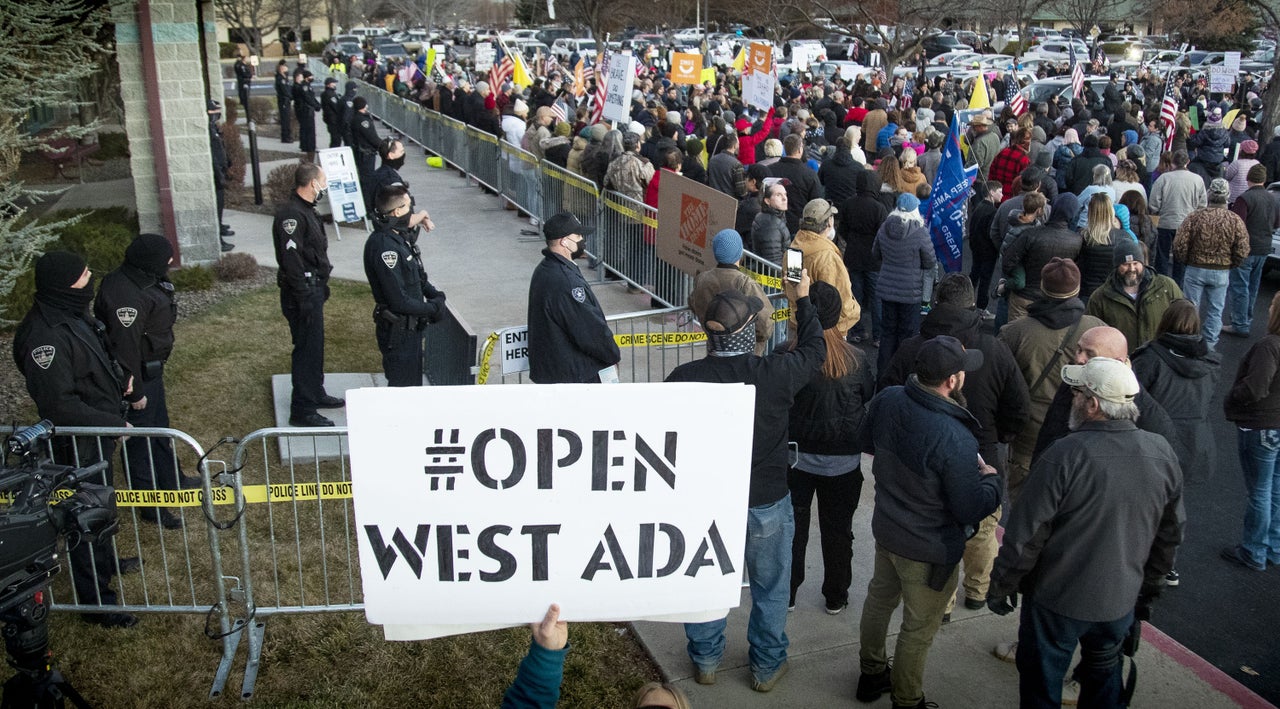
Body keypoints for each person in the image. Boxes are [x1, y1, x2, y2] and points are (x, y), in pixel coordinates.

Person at [987, 356, 1183, 709]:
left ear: (1092, 405)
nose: (1072, 399)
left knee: (1041, 686)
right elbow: (1169, 535)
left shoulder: (1063, 454)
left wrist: (1003, 584)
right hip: (1119, 602)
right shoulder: (1162, 453)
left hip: (1056, 601)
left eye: (1077, 393)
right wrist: (1146, 591)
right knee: (1105, 682)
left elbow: (1025, 534)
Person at [665, 274, 825, 694]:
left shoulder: (683, 379)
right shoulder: (775, 374)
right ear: (749, 331)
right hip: (766, 502)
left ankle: (705, 659)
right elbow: (814, 350)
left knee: (704, 581)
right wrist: (801, 300)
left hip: (706, 504)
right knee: (771, 587)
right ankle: (767, 666)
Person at [855, 335, 1002, 709]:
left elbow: (867, 440)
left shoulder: (888, 400)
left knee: (878, 601)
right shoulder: (956, 436)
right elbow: (969, 508)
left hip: (888, 530)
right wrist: (991, 482)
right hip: (928, 548)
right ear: (952, 381)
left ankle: (871, 674)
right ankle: (907, 699)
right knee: (918, 629)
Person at [880, 274, 1030, 618]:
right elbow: (1019, 406)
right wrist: (996, 437)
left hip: (923, 463)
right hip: (983, 457)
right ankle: (977, 592)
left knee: (943, 535)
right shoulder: (994, 348)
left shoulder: (911, 348)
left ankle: (943, 604)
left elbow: (885, 394)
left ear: (935, 303)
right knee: (983, 531)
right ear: (972, 305)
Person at [12, 251, 139, 628]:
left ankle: (107, 563)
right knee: (85, 516)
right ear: (65, 284)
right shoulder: (44, 336)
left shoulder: (70, 313)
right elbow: (60, 405)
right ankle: (98, 604)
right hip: (78, 440)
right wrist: (113, 424)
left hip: (97, 432)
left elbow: (94, 359)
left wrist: (121, 380)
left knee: (102, 505)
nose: (91, 279)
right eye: (85, 276)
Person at [94, 233, 196, 530]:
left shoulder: (142, 278)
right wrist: (134, 391)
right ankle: (151, 504)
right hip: (136, 379)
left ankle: (171, 479)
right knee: (139, 443)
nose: (170, 262)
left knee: (160, 429)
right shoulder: (126, 295)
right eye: (166, 258)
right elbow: (124, 349)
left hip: (150, 371)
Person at [785, 280, 874, 615]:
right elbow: (867, 395)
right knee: (839, 534)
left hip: (796, 462)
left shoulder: (788, 354)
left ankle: (789, 593)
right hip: (843, 464)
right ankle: (835, 595)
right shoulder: (857, 360)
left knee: (794, 532)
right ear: (839, 317)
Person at [999, 259, 1106, 502]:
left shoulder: (1014, 332)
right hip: (1079, 433)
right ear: (1077, 289)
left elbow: (1001, 385)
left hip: (1029, 434)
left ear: (1042, 288)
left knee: (1025, 507)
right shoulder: (1097, 330)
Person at [273, 163, 344, 427]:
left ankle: (315, 392)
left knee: (315, 348)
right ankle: (302, 409)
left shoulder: (306, 211)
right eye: (322, 181)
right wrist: (304, 296)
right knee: (306, 351)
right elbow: (292, 260)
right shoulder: (291, 216)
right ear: (312, 183)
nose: (324, 186)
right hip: (301, 293)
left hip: (312, 290)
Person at [362, 185, 445, 387]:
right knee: (403, 391)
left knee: (412, 387)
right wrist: (433, 308)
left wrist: (435, 294)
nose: (412, 211)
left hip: (411, 330)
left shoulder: (397, 238)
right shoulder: (384, 247)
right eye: (409, 206)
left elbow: (416, 277)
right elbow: (398, 300)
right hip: (398, 332)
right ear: (397, 211)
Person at [1222, 291, 1280, 572]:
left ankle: (1253, 551)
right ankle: (1274, 547)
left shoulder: (1269, 346)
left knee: (1259, 491)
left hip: (1262, 426)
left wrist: (1232, 397)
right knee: (1276, 490)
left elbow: (1256, 387)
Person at [527, 213, 621, 384]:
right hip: (575, 376)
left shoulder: (544, 269)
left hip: (557, 372)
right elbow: (588, 330)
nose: (582, 239)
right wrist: (612, 354)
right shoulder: (566, 282)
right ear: (564, 241)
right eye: (577, 235)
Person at [1173, 177, 1250, 349]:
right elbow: (1243, 248)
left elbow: (1180, 244)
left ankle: (1188, 340)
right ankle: (1209, 346)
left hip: (1195, 268)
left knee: (1190, 308)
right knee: (1216, 311)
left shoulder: (1195, 217)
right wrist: (1231, 264)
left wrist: (1186, 260)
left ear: (1209, 194)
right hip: (1221, 271)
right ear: (1228, 196)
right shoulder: (1234, 220)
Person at [873, 192, 936, 374]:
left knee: (888, 333)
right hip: (910, 292)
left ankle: (883, 376)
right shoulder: (920, 232)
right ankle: (901, 377)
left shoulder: (884, 227)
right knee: (907, 336)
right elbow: (930, 261)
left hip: (887, 289)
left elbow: (875, 254)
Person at [1087, 239, 1183, 355]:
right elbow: (1092, 336)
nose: (1132, 269)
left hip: (1160, 361)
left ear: (1143, 263)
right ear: (1116, 266)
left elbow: (1182, 321)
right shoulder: (1100, 297)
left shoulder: (1167, 287)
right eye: (1126, 264)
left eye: (1136, 263)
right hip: (1121, 363)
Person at [688, 229, 774, 355]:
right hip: (746, 355)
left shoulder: (702, 279)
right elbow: (765, 323)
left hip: (715, 350)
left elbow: (693, 303)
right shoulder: (744, 283)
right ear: (740, 253)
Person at [790, 198, 860, 338]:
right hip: (829, 332)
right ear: (829, 223)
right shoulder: (827, 257)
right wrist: (855, 312)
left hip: (799, 325)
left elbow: (792, 288)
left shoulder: (794, 249)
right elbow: (840, 299)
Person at [1225, 164, 1280, 337]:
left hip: (1245, 248)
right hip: (1264, 248)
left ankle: (1239, 324)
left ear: (1249, 178)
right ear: (1263, 180)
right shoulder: (1273, 198)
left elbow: (1237, 225)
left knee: (1240, 286)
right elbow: (1277, 223)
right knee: (1253, 287)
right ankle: (1246, 319)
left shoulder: (1244, 199)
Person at [840, 171, 889, 345]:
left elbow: (842, 229)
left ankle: (856, 330)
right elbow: (883, 234)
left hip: (853, 255)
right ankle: (878, 335)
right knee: (876, 298)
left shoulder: (848, 204)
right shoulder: (879, 207)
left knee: (855, 295)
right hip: (873, 259)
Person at [1149, 149, 1207, 283]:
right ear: (1188, 162)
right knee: (1181, 259)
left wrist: (1157, 211)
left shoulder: (1164, 178)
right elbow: (1202, 204)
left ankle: (1161, 284)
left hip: (1166, 222)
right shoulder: (1197, 180)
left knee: (1162, 256)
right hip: (1187, 224)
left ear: (1173, 162)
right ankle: (1178, 287)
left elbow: (1154, 203)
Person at [207, 100, 234, 252]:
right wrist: (220, 175)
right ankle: (219, 240)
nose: (217, 113)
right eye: (214, 111)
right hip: (216, 173)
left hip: (221, 170)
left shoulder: (214, 127)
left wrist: (228, 163)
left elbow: (221, 148)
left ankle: (221, 226)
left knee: (221, 203)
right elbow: (213, 155)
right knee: (216, 206)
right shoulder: (208, 129)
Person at [350, 97, 382, 212]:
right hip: (366, 155)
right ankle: (368, 209)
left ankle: (368, 207)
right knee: (367, 182)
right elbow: (372, 137)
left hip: (364, 153)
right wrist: (384, 146)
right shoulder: (362, 120)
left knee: (366, 180)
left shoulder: (357, 117)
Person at [751, 180, 791, 265]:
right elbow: (773, 262)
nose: (784, 198)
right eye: (778, 195)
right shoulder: (770, 226)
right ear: (767, 201)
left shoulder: (773, 218)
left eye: (785, 194)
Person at [293, 70, 321, 157]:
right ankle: (310, 146)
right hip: (306, 110)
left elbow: (312, 97)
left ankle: (306, 145)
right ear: (306, 77)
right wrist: (315, 105)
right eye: (311, 76)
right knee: (309, 129)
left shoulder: (308, 86)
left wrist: (317, 105)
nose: (312, 78)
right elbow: (307, 98)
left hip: (308, 109)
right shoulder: (304, 86)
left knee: (306, 128)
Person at [320, 77, 343, 149]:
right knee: (336, 139)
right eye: (333, 83)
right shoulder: (330, 94)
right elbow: (335, 106)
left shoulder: (327, 93)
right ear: (328, 85)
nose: (335, 84)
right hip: (333, 119)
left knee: (335, 138)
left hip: (330, 118)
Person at [274, 59, 293, 144]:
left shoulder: (285, 79)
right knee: (285, 120)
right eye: (285, 68)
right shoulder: (280, 79)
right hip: (283, 101)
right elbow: (285, 91)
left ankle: (288, 136)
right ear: (281, 69)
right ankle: (285, 137)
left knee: (287, 119)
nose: (287, 70)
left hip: (287, 101)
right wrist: (291, 96)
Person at [234, 53, 253, 118]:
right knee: (245, 95)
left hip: (247, 81)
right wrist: (249, 76)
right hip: (244, 82)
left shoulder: (245, 65)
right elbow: (244, 73)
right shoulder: (242, 66)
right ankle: (245, 103)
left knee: (246, 94)